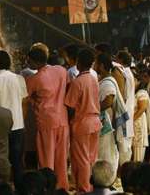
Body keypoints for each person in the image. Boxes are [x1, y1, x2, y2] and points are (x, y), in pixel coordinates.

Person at [26, 47, 69, 190]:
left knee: (46, 160)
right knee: (61, 159)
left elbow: (25, 98)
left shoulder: (34, 79)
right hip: (62, 120)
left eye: (28, 61)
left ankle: (47, 188)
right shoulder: (61, 70)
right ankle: (62, 187)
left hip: (46, 122)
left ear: (34, 62)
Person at [65, 49, 101, 193]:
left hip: (82, 123)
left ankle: (84, 189)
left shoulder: (78, 81)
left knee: (82, 159)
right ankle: (90, 186)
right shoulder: (93, 78)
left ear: (79, 62)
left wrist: (69, 121)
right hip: (95, 121)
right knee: (91, 157)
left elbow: (70, 106)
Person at [0, 50, 28, 190]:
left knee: (0, 163)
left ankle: (1, 190)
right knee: (17, 163)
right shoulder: (19, 79)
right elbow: (25, 102)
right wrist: (21, 120)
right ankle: (20, 190)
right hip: (18, 127)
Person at [93, 53, 119, 178]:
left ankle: (105, 179)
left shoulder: (107, 82)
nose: (94, 65)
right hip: (101, 121)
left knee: (104, 153)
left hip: (104, 121)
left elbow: (108, 101)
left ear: (101, 66)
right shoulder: (103, 80)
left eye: (96, 63)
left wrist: (93, 110)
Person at [115, 51, 136, 165]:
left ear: (121, 61)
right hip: (127, 112)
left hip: (124, 113)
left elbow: (114, 65)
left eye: (116, 58)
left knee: (123, 142)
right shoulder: (128, 73)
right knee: (125, 142)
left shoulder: (125, 73)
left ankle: (124, 169)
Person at [133, 76, 150, 162]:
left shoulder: (142, 93)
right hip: (133, 122)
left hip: (138, 122)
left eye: (134, 80)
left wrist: (131, 121)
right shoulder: (133, 93)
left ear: (138, 81)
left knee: (138, 149)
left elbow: (142, 108)